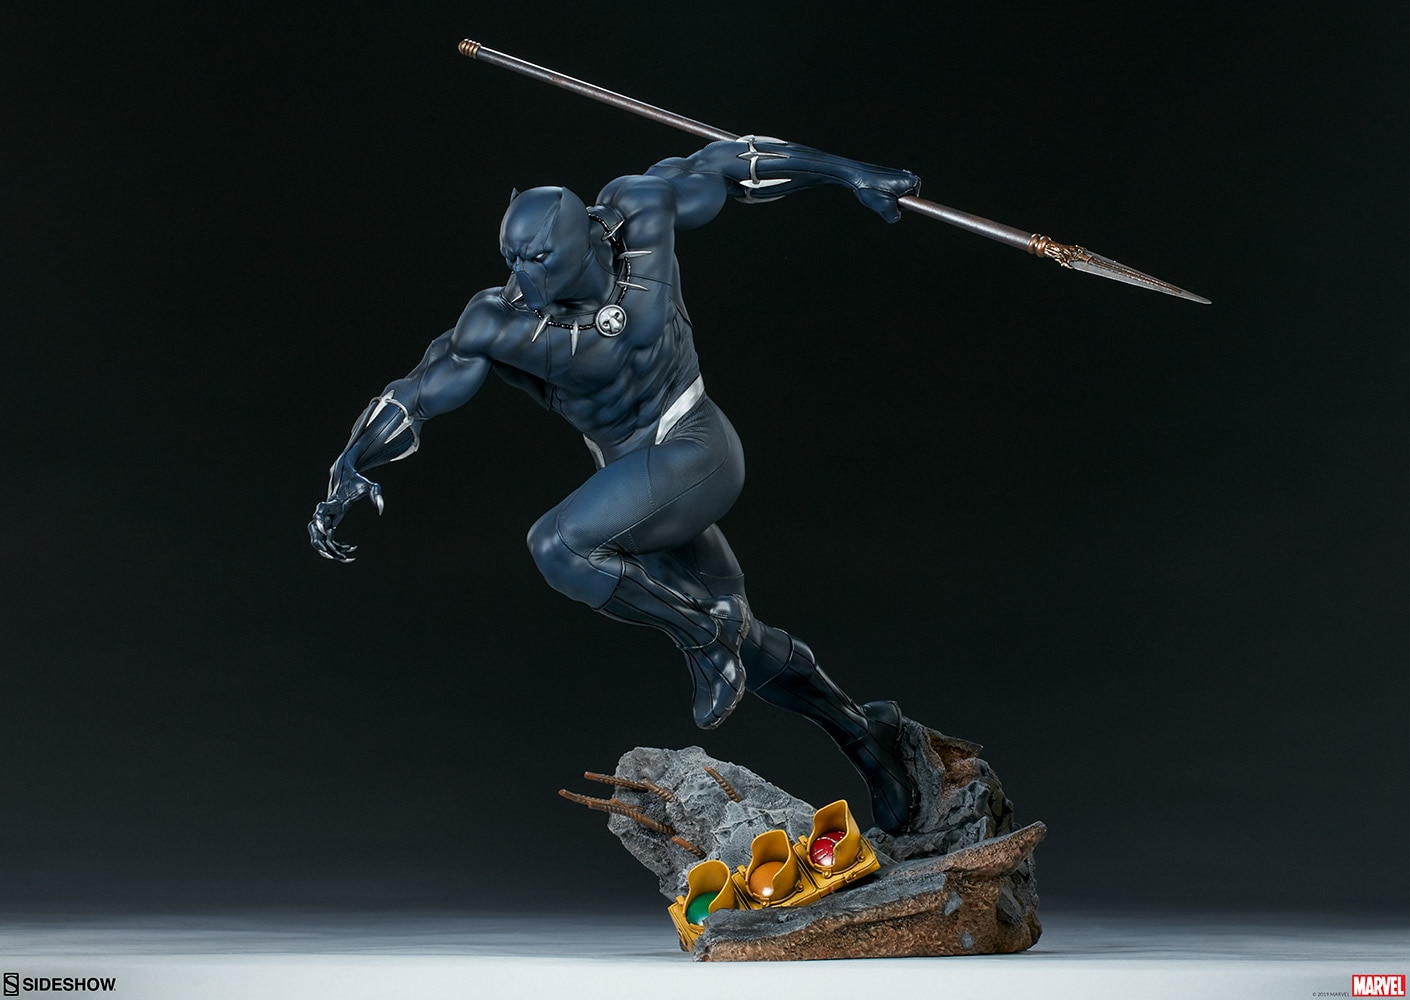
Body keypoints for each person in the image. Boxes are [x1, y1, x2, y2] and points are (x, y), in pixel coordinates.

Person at [309, 137, 923, 831]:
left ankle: (701, 640)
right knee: (748, 642)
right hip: (632, 485)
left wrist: (851, 175)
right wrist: (351, 461)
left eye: (539, 259)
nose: (522, 276)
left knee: (558, 546)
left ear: (581, 241)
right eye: (512, 258)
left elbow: (732, 166)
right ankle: (865, 735)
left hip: (697, 445)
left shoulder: (639, 211)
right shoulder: (497, 322)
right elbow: (417, 390)